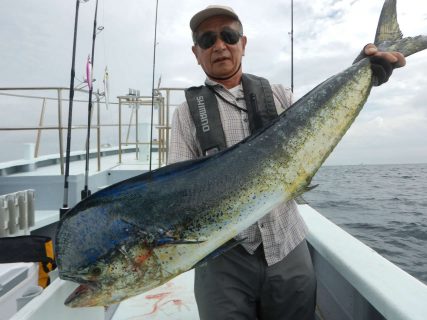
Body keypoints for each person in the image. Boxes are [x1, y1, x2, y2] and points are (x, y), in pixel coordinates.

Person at [168, 5, 406, 320]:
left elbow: (320, 122)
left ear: (243, 43)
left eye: (229, 35)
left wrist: (363, 71)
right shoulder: (186, 113)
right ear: (196, 52)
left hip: (288, 245)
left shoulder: (279, 95)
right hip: (223, 262)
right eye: (207, 39)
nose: (220, 46)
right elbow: (177, 195)